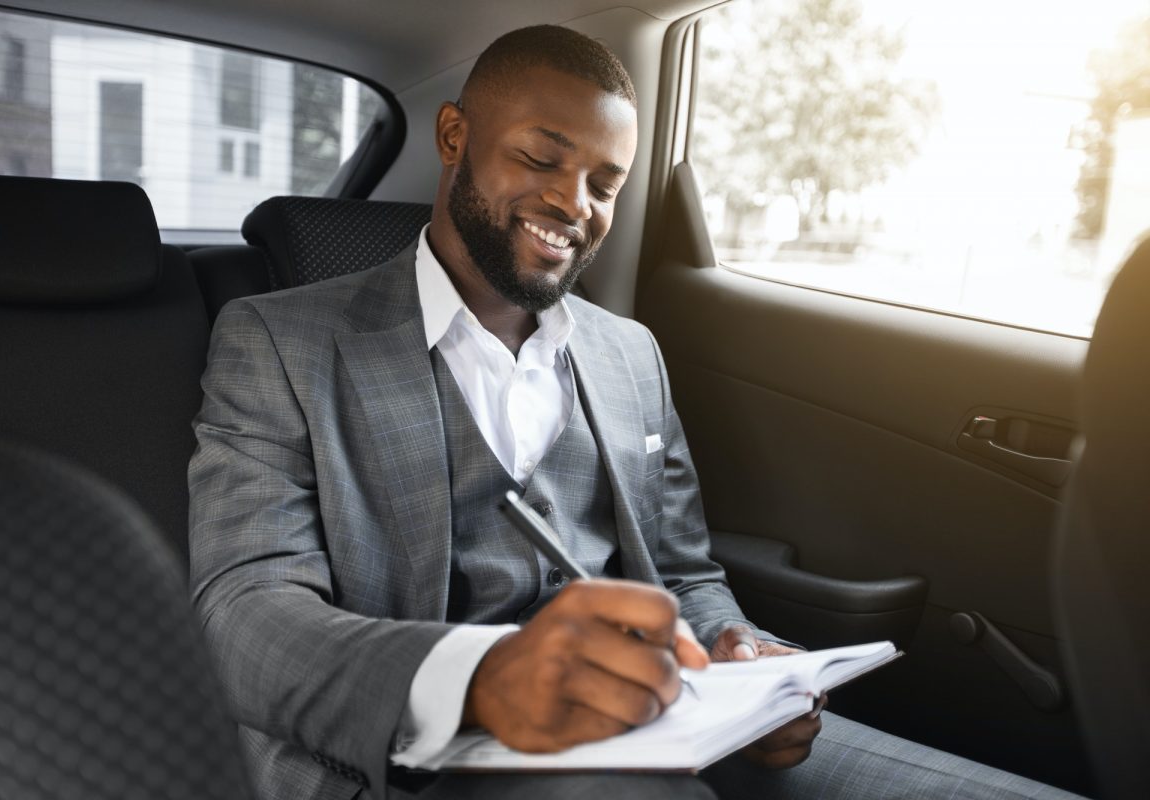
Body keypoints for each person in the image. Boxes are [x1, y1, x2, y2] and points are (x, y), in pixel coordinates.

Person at [189, 25, 1084, 800]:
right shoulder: (280, 340)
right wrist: (482, 677)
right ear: (456, 135)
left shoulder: (629, 354)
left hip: (667, 727)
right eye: (541, 158)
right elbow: (244, 614)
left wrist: (739, 656)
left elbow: (684, 575)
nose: (573, 205)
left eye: (604, 183)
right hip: (412, 758)